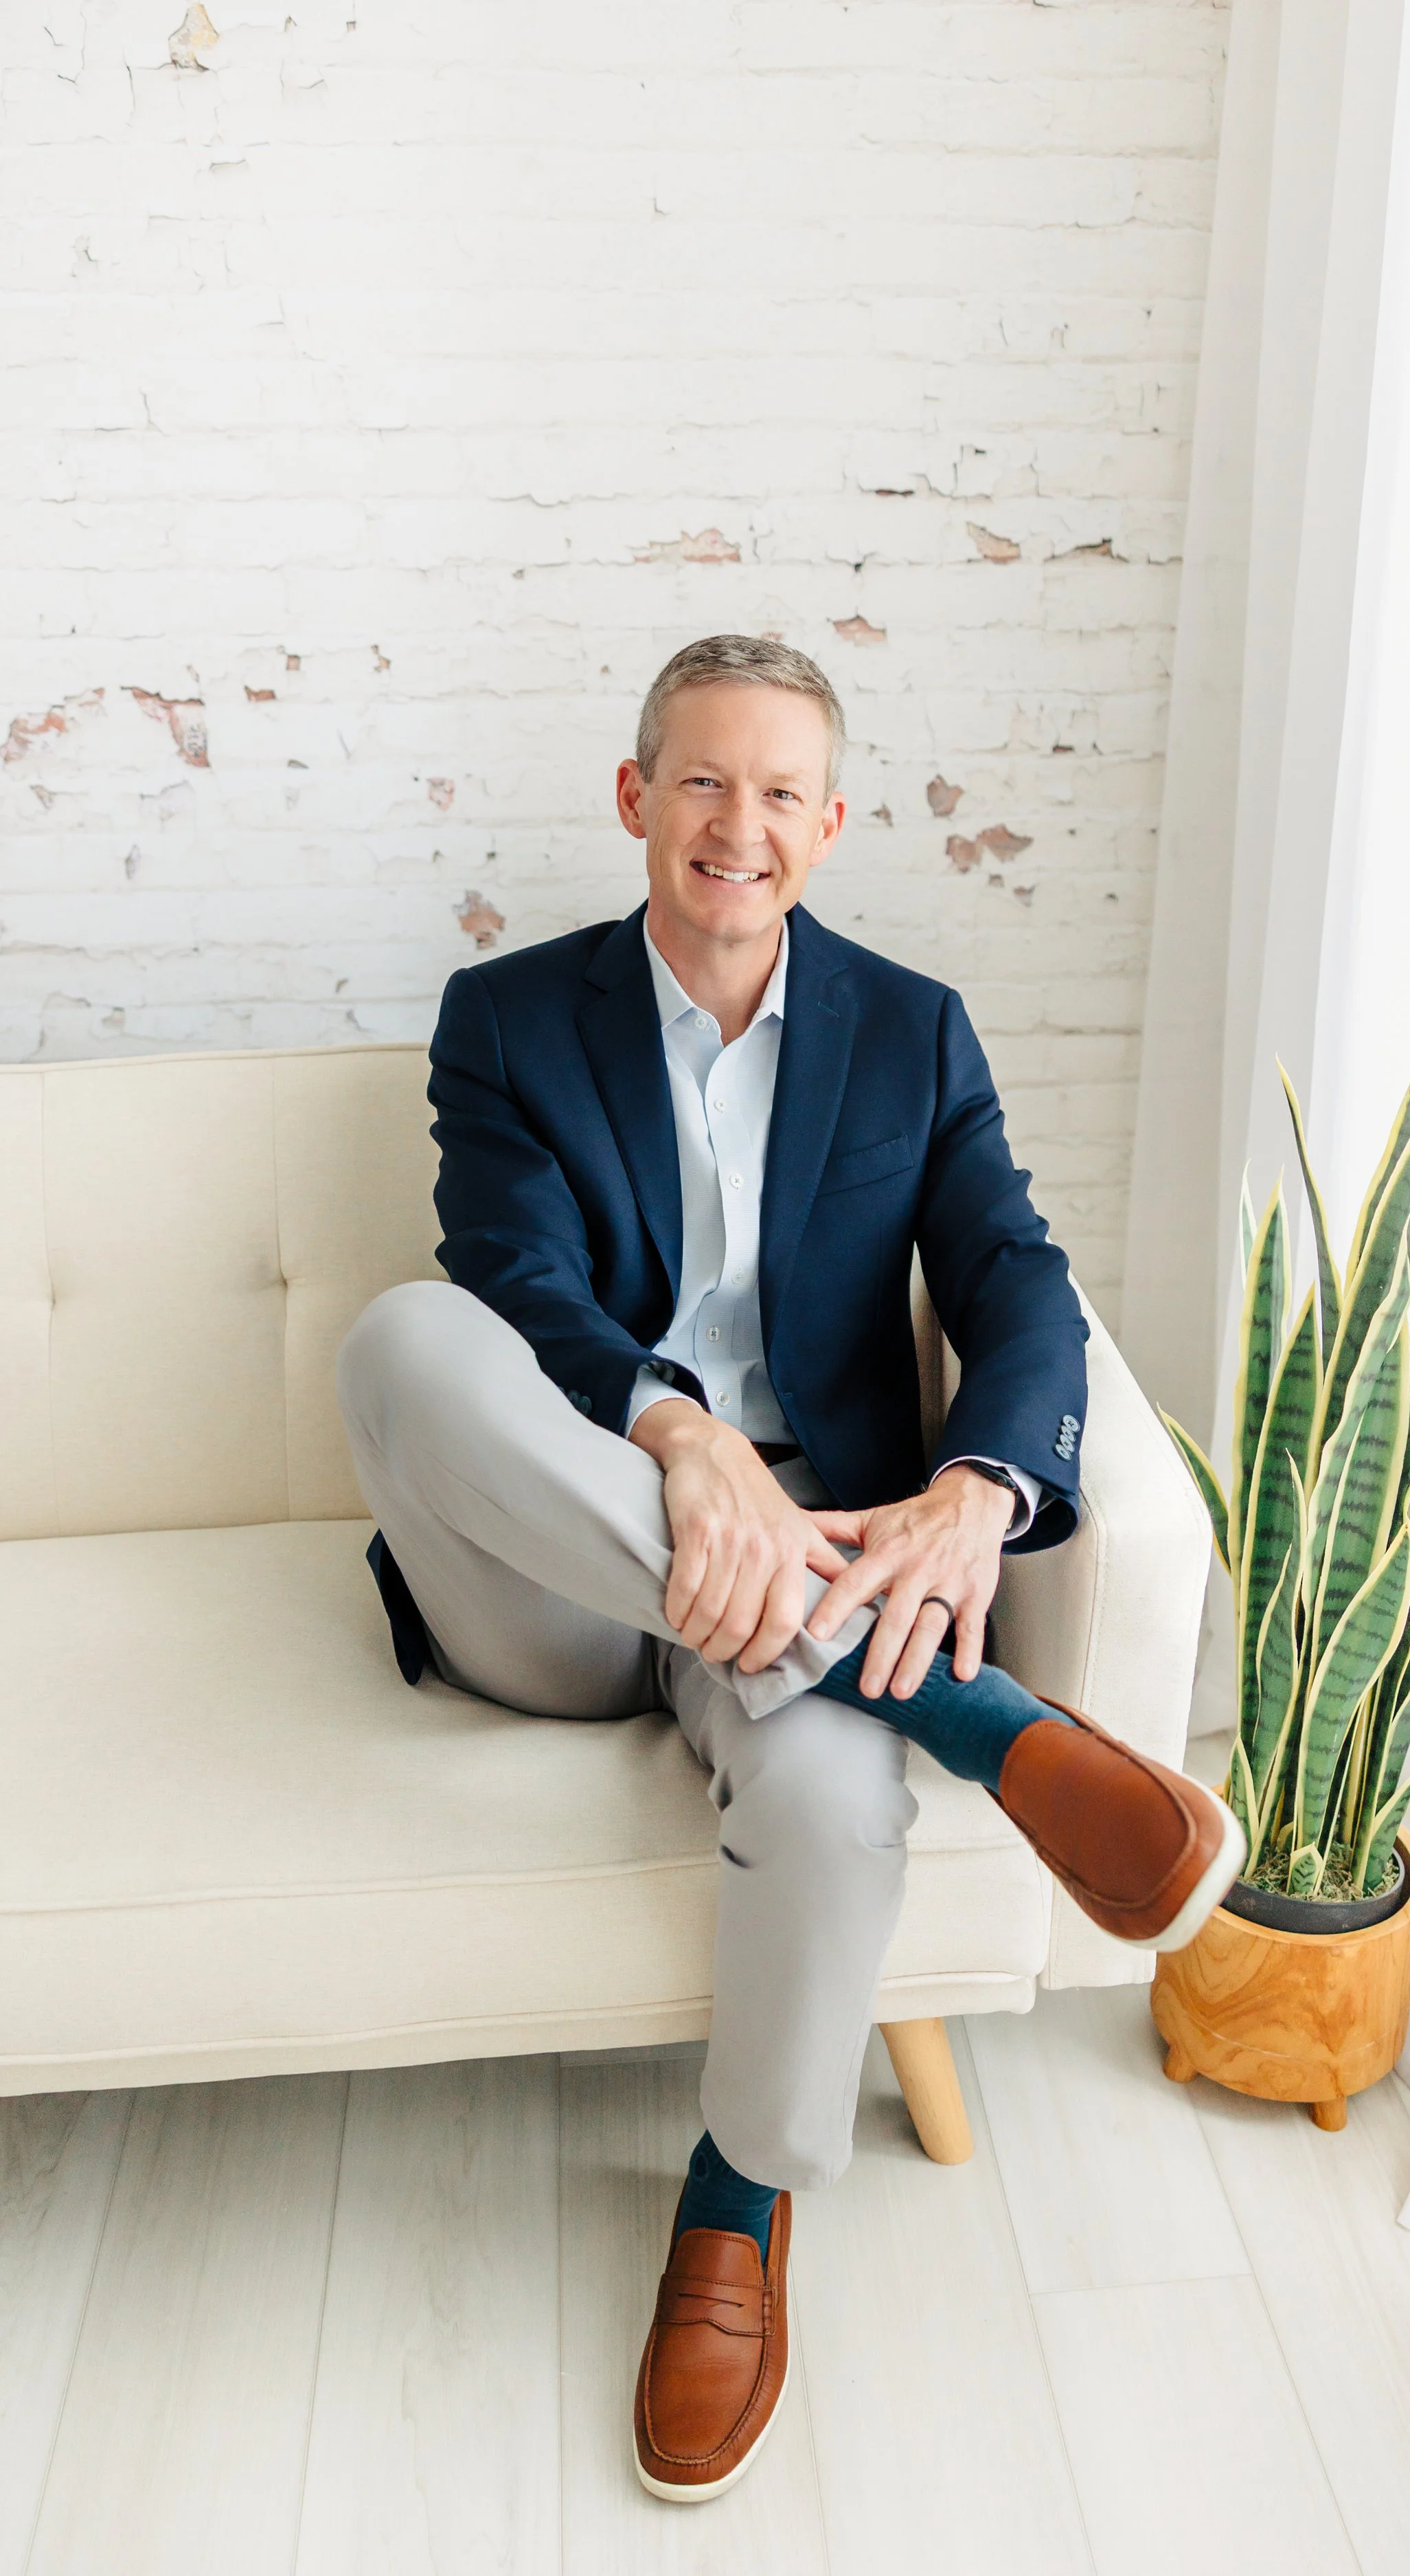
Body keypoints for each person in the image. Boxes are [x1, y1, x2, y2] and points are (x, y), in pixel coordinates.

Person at [337, 634, 1243, 2503]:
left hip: (809, 1559)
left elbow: (1012, 1277)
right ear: (633, 798)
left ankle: (736, 2205)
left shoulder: (913, 1029)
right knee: (402, 1342)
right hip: (571, 1556)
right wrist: (683, 1441)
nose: (731, 825)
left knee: (835, 1795)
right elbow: (521, 1285)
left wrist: (983, 1488)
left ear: (823, 828)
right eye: (697, 781)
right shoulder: (504, 1020)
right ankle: (986, 1721)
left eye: (774, 793)